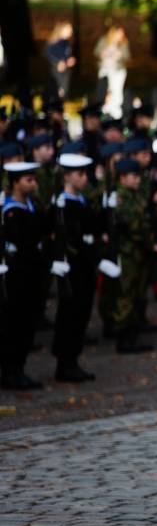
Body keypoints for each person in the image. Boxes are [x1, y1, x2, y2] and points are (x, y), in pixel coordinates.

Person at [50, 154, 101, 382]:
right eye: (80, 174)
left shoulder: (81, 201)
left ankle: (72, 360)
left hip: (85, 266)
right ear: (67, 176)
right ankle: (65, 362)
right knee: (70, 314)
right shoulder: (62, 204)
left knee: (81, 313)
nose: (85, 178)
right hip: (72, 267)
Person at [0, 162, 45, 390]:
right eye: (28, 180)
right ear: (15, 183)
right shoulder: (10, 211)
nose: (34, 184)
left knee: (26, 323)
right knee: (14, 323)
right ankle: (11, 370)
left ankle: (18, 367)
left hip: (31, 272)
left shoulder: (31, 205)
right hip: (17, 274)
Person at [110, 158, 157, 354]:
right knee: (126, 295)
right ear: (123, 178)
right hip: (128, 252)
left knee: (137, 293)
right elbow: (133, 225)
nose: (138, 180)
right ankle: (124, 337)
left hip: (139, 253)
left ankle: (132, 334)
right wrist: (151, 243)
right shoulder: (120, 198)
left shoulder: (134, 195)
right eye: (134, 176)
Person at [95, 26, 130, 119]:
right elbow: (96, 52)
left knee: (116, 90)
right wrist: (102, 54)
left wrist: (120, 55)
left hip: (117, 71)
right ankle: (104, 109)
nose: (121, 35)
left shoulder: (123, 43)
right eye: (119, 33)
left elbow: (127, 56)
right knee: (104, 90)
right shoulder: (104, 41)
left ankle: (115, 112)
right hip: (105, 69)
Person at [45, 22, 76, 101]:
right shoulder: (54, 42)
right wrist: (57, 63)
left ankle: (60, 106)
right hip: (57, 72)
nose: (71, 31)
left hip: (65, 72)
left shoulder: (66, 43)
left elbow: (66, 56)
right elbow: (48, 54)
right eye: (68, 29)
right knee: (58, 91)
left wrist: (69, 61)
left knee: (63, 92)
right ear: (61, 30)